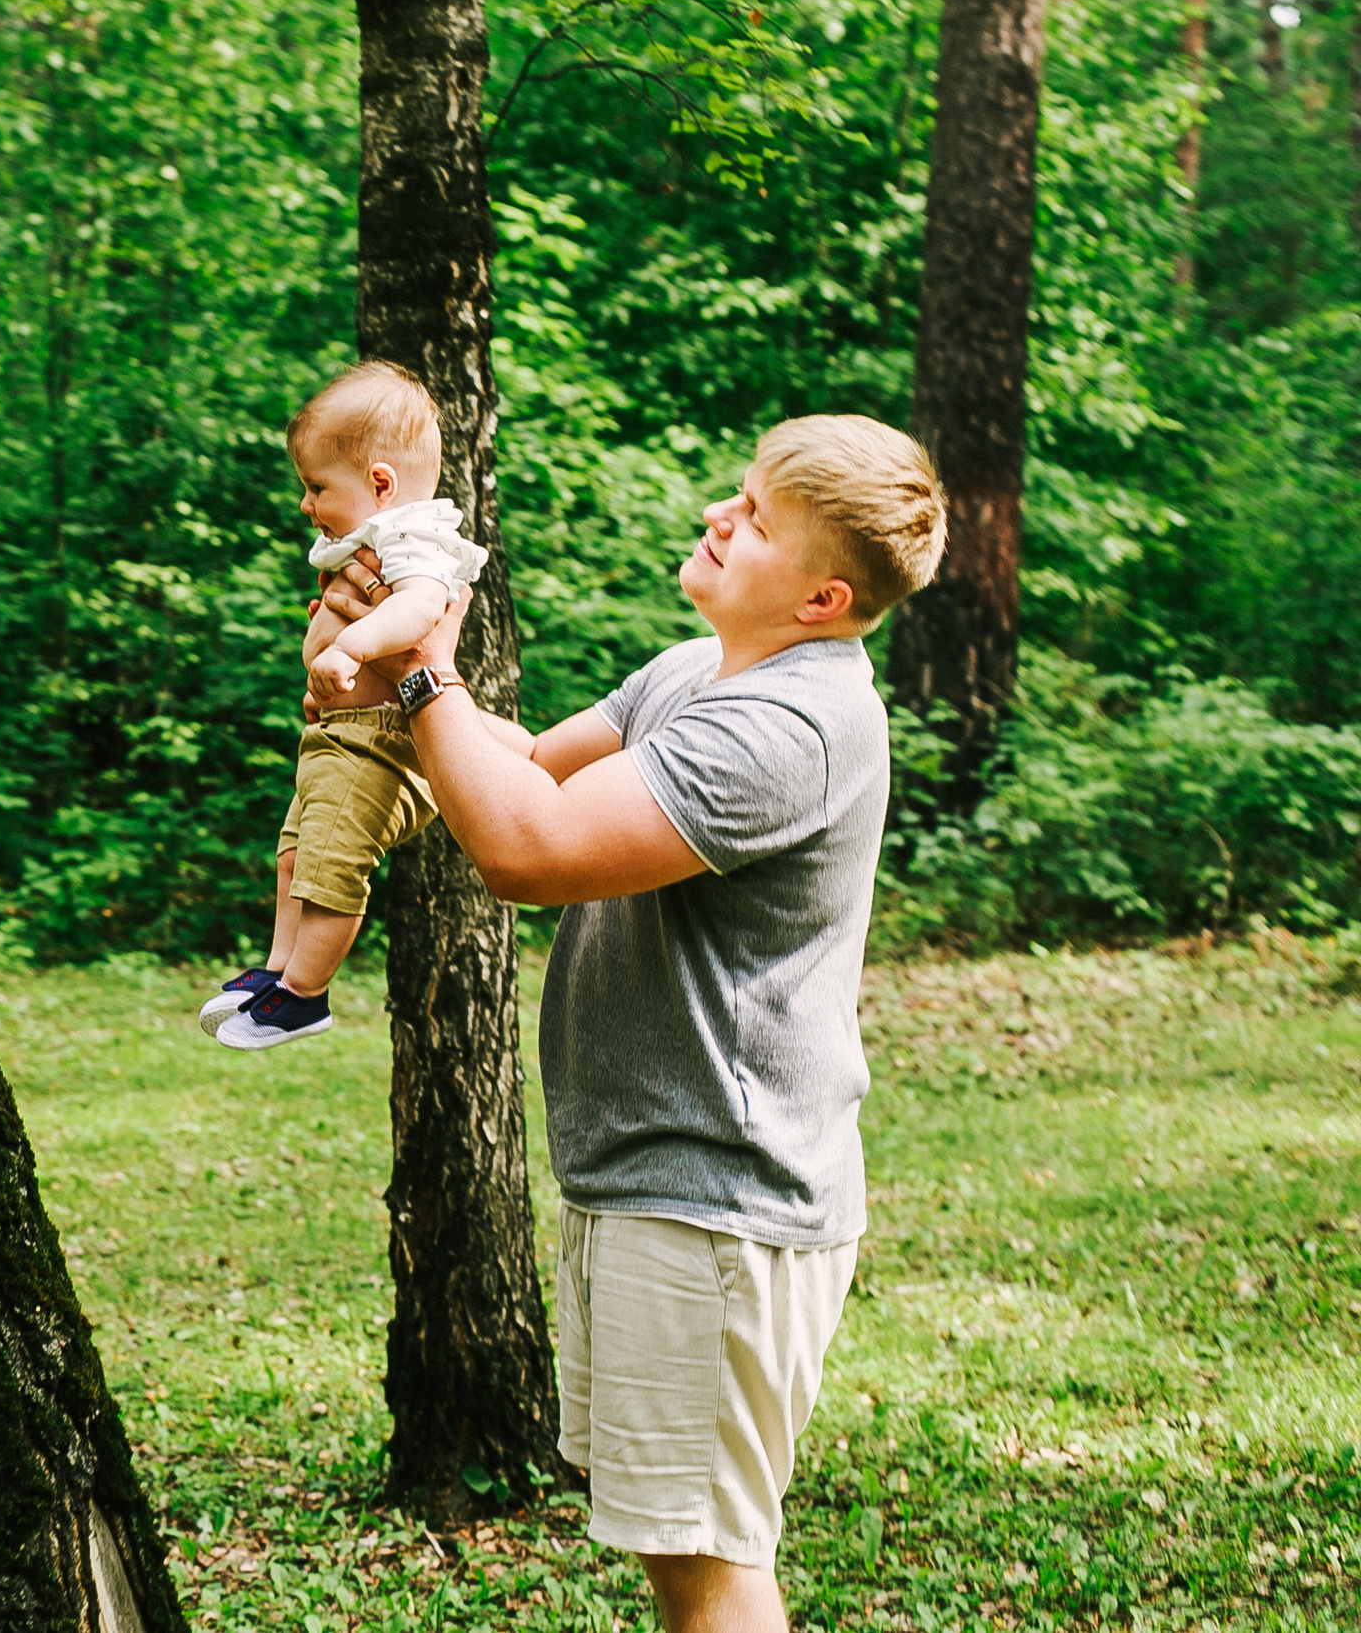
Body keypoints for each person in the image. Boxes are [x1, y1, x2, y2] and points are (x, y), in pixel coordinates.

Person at [316, 415, 945, 1633]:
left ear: (821, 595)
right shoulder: (695, 671)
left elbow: (526, 850)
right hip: (652, 1180)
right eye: (740, 492)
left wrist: (420, 670)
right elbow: (523, 772)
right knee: (675, 1549)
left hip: (718, 1196)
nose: (720, 514)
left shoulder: (788, 728)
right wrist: (384, 644)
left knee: (709, 1562)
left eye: (755, 520)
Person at [200, 362, 489, 1050]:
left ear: (380, 484)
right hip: (340, 731)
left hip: (380, 738)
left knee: (332, 862)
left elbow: (421, 607)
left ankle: (304, 995)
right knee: (296, 853)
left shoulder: (408, 537)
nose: (306, 503)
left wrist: (350, 650)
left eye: (317, 487)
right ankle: (278, 969)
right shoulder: (372, 537)